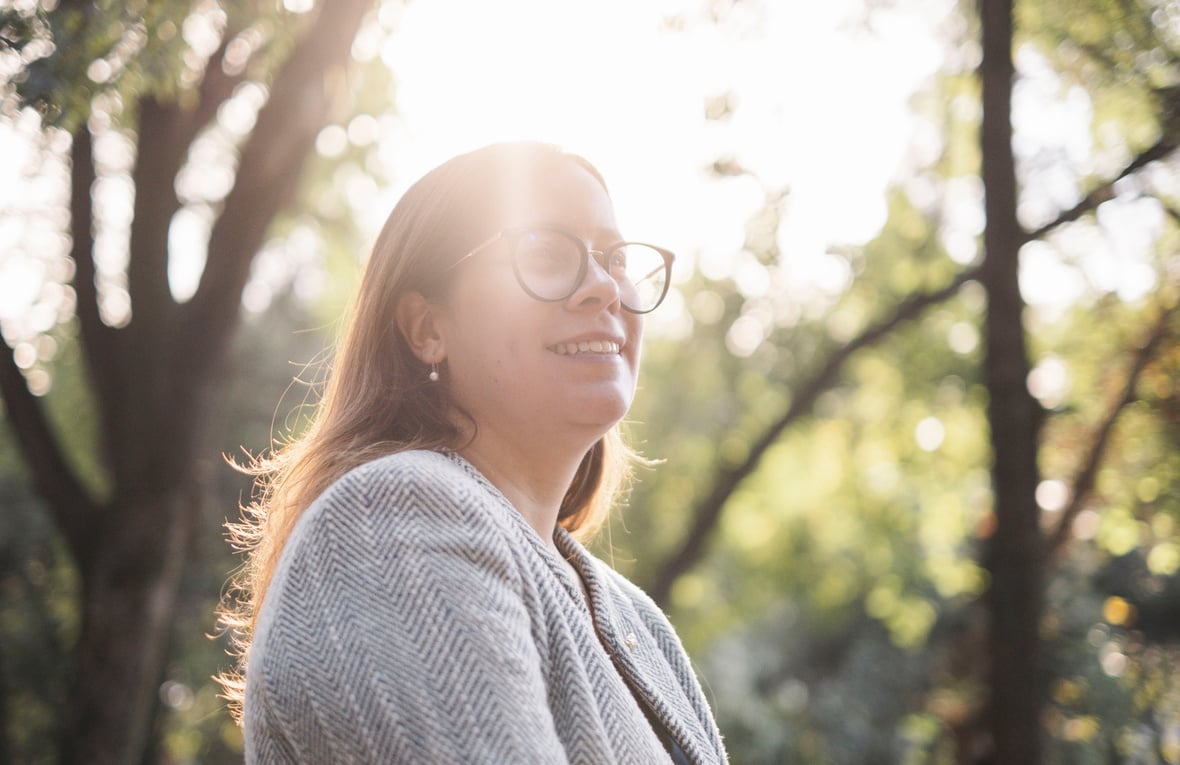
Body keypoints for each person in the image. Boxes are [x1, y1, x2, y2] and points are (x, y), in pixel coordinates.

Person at [219, 141, 728, 764]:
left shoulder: (637, 621)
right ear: (427, 328)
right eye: (544, 251)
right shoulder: (388, 522)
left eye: (615, 257)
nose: (603, 287)